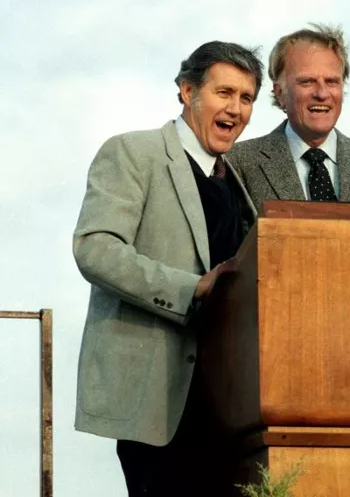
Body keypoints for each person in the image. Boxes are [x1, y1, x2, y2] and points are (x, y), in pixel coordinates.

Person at [73, 41, 264, 496]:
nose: (235, 108)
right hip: (156, 400)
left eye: (247, 98)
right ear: (186, 91)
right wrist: (191, 287)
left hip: (228, 404)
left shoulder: (237, 180)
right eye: (224, 93)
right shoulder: (132, 153)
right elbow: (94, 248)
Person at [228, 23, 350, 210]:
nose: (322, 93)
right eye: (307, 81)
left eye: (331, 81)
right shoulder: (238, 163)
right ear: (280, 93)